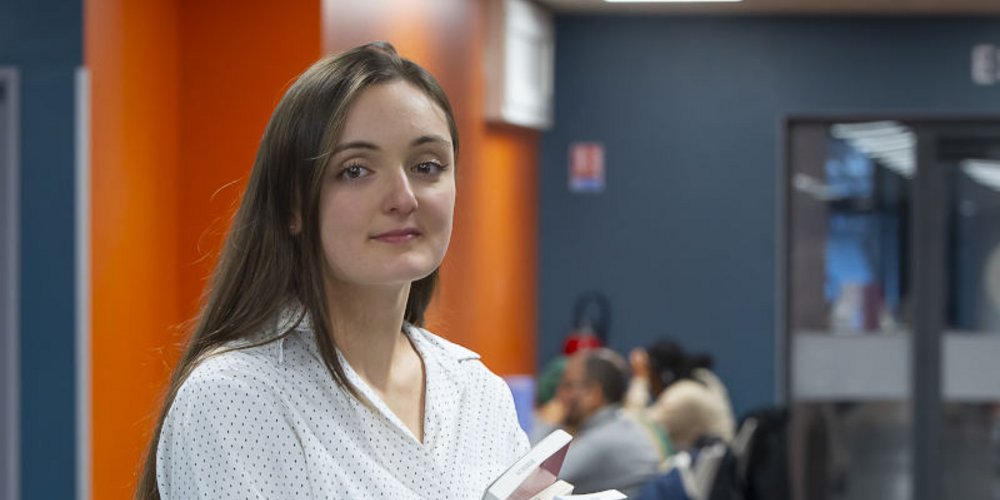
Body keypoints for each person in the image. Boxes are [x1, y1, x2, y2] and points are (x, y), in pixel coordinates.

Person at [136, 42, 529, 499]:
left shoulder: (478, 392)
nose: (404, 197)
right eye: (356, 170)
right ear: (293, 206)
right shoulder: (235, 396)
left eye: (427, 166)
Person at [534, 348, 661, 497]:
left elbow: (530, 483)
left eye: (568, 385)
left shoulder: (606, 439)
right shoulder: (616, 425)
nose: (558, 395)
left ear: (593, 394)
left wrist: (546, 422)